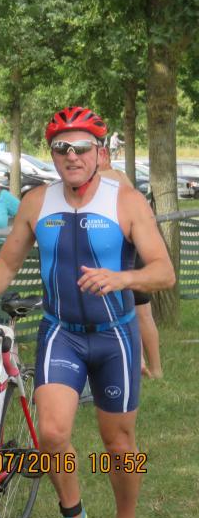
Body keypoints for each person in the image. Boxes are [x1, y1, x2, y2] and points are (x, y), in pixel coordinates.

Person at [0, 106, 175, 518]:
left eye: (81, 147)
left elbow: (163, 271)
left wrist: (121, 279)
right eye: (61, 148)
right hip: (61, 333)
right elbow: (7, 263)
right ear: (52, 154)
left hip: (115, 336)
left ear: (99, 151)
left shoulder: (126, 201)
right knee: (52, 434)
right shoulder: (37, 202)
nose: (72, 156)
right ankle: (72, 515)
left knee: (119, 444)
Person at [96, 144, 163, 380]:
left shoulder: (105, 177)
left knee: (128, 313)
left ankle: (142, 364)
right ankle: (153, 367)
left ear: (103, 155)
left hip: (124, 255)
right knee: (142, 314)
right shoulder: (121, 176)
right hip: (136, 251)